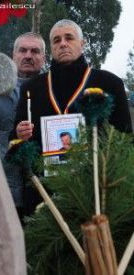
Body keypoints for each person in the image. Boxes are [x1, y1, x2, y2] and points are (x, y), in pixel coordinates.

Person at [13, 19, 133, 214]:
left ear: (82, 43)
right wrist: (20, 133)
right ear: (51, 48)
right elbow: (16, 141)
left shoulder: (109, 83)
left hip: (99, 192)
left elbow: (125, 140)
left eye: (69, 38)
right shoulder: (32, 88)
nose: (63, 43)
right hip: (45, 196)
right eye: (56, 40)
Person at [0, 32, 46, 219]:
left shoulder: (53, 91)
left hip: (45, 193)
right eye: (23, 50)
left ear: (44, 58)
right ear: (13, 55)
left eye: (35, 51)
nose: (28, 56)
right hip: (6, 193)